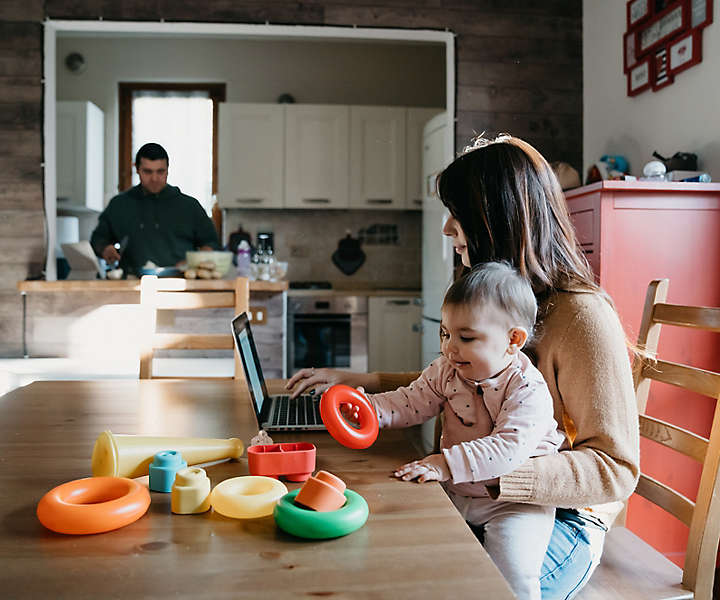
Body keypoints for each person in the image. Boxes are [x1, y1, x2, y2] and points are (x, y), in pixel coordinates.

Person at [286, 134, 640, 599]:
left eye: (459, 213)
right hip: (472, 488)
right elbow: (455, 384)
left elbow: (615, 469)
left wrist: (488, 473)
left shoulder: (582, 316)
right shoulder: (485, 303)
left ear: (499, 217)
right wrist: (366, 385)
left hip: (558, 516)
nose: (447, 229)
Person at [361, 261, 565, 599]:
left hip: (514, 503)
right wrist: (368, 409)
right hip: (458, 492)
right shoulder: (447, 370)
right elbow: (411, 401)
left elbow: (507, 450)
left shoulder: (528, 390)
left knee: (512, 574)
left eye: (466, 337)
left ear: (513, 340)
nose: (449, 347)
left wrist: (444, 463)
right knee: (409, 546)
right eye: (445, 333)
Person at [90, 142, 220, 276]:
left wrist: (194, 262)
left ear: (168, 170)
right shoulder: (119, 204)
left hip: (180, 283)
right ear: (137, 169)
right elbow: (98, 238)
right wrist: (105, 249)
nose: (154, 178)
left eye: (160, 171)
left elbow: (211, 243)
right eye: (147, 172)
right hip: (132, 283)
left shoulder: (189, 206)